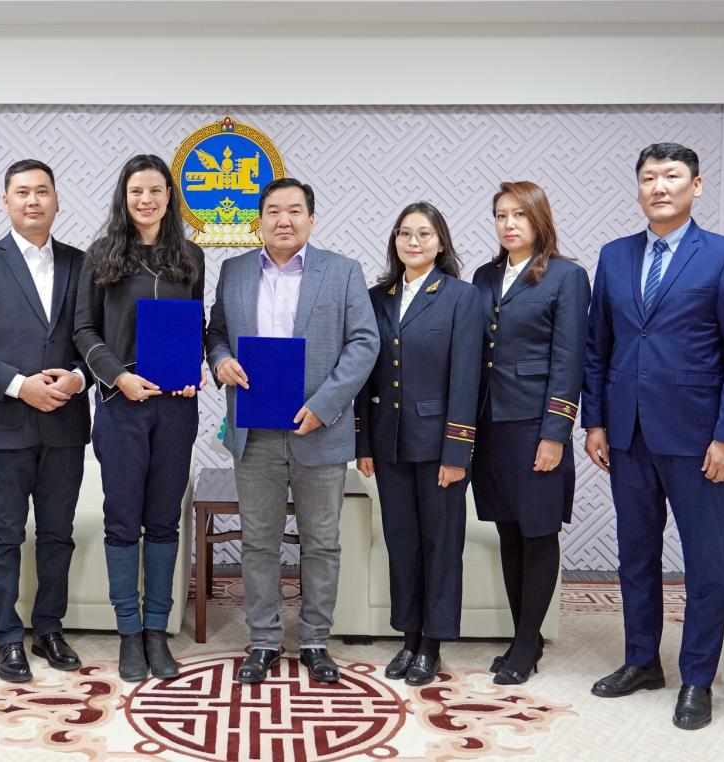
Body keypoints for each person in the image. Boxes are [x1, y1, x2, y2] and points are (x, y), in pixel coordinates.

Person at [582, 143, 724, 730]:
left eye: (672, 176)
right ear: (638, 188)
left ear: (696, 186)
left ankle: (697, 678)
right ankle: (642, 662)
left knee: (704, 562)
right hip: (627, 432)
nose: (659, 187)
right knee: (636, 555)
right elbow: (598, 346)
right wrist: (596, 421)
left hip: (697, 437)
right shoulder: (614, 256)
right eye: (649, 178)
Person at [207, 177, 379, 685]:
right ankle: (263, 641)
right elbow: (217, 333)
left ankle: (315, 641)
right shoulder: (234, 270)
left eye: (295, 210)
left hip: (318, 430)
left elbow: (364, 343)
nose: (284, 220)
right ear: (259, 220)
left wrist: (324, 406)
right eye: (274, 211)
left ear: (311, 218)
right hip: (255, 431)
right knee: (258, 542)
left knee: (321, 542)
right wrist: (220, 361)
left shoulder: (343, 272)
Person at [0, 160, 90, 683]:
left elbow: (95, 337)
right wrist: (18, 384)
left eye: (42, 191)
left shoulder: (81, 264)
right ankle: (6, 637)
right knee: (3, 535)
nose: (33, 201)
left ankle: (49, 628)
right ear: (5, 202)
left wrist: (78, 378)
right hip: (7, 423)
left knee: (57, 533)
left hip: (66, 423)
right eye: (22, 192)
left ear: (57, 201)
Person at [73, 154, 204, 682]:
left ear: (169, 197)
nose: (145, 200)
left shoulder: (191, 257)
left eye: (154, 191)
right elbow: (84, 330)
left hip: (176, 408)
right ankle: (129, 632)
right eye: (136, 192)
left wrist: (193, 368)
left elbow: (196, 325)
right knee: (124, 520)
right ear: (124, 199)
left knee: (165, 520)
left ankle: (156, 631)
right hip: (120, 406)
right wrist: (117, 377)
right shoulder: (101, 255)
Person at [355, 202, 481, 686]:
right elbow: (364, 373)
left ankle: (432, 643)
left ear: (440, 242)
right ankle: (408, 637)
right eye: (404, 233)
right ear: (395, 241)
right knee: (402, 542)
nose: (413, 242)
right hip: (388, 444)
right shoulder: (377, 297)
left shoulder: (460, 297)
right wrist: (363, 441)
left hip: (439, 446)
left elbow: (467, 378)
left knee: (440, 544)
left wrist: (457, 451)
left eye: (424, 234)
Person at [470, 180, 590, 686]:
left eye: (519, 214)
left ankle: (524, 646)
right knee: (508, 530)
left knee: (538, 532)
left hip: (535, 424)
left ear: (539, 218)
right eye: (501, 215)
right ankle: (528, 634)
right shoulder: (483, 276)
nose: (509, 224)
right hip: (488, 424)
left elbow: (569, 359)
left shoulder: (567, 276)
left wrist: (555, 433)